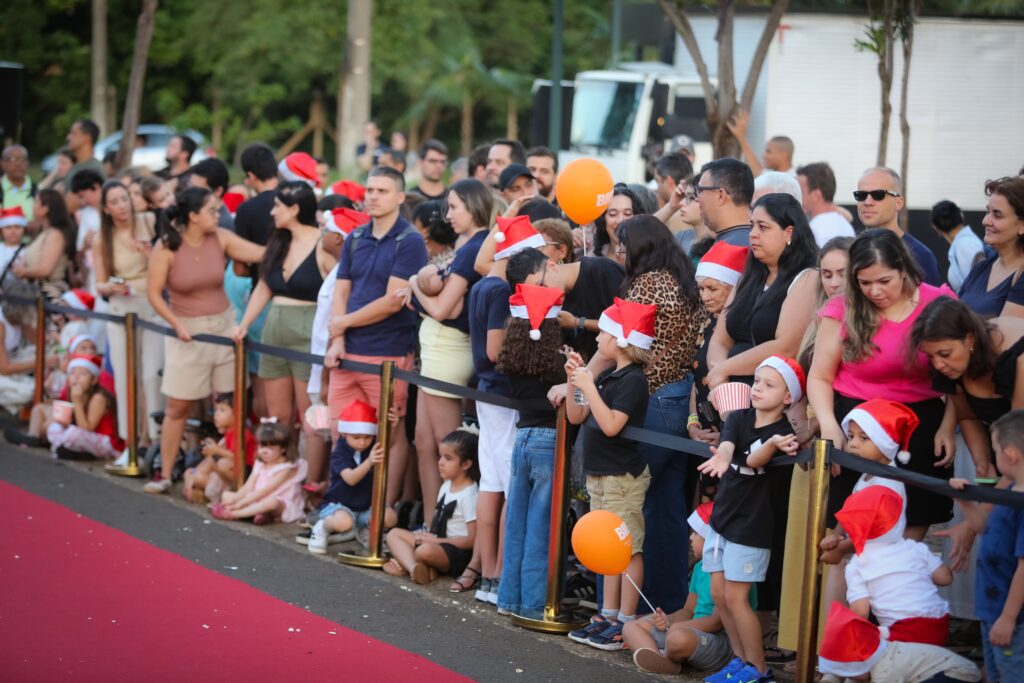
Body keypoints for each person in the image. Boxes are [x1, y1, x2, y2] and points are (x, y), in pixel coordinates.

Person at [808, 229, 957, 537]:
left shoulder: (938, 301)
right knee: (846, 534)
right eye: (864, 283)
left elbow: (958, 372)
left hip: (919, 427)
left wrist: (948, 425)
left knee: (911, 532)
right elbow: (820, 375)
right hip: (856, 428)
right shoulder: (843, 307)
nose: (874, 291)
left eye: (884, 281)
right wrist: (829, 425)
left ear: (903, 269)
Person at [612, 216, 708, 614]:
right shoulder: (683, 281)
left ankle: (632, 603)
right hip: (679, 399)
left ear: (640, 247)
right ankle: (666, 602)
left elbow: (621, 340)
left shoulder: (646, 283)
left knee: (635, 506)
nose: (618, 253)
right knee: (667, 508)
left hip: (649, 399)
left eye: (622, 246)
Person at [143, 187, 264, 494]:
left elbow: (259, 253)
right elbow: (154, 293)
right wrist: (176, 324)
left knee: (233, 402)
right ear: (193, 216)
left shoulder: (221, 237)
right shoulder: (166, 246)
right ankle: (166, 473)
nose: (219, 214)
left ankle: (237, 473)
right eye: (212, 210)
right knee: (178, 406)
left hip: (224, 327)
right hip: (188, 330)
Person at [324, 166, 427, 510]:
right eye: (369, 190)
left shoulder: (410, 241)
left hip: (387, 352)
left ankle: (381, 510)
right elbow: (342, 289)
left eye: (382, 191)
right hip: (348, 352)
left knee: (390, 435)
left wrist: (342, 324)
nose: (373, 197)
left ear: (399, 197)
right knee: (341, 432)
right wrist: (338, 338)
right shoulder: (355, 237)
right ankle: (341, 505)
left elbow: (392, 301)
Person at [696, 356, 804, 683]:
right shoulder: (740, 417)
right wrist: (722, 456)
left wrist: (771, 444)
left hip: (752, 525)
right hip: (723, 518)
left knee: (737, 598)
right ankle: (739, 661)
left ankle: (758, 670)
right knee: (718, 594)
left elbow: (756, 460)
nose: (757, 388)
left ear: (788, 397)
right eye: (757, 381)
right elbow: (728, 445)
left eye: (769, 385)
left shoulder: (783, 431)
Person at [565, 298, 654, 650]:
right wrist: (575, 380)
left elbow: (612, 425)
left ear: (621, 339)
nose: (598, 336)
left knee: (627, 547)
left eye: (604, 330)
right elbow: (576, 416)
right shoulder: (608, 376)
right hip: (601, 474)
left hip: (623, 476)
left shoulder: (633, 380)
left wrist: (589, 386)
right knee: (607, 546)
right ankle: (608, 613)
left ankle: (626, 622)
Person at [232, 181, 335, 475]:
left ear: (294, 209)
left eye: (278, 206)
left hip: (308, 335)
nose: (272, 211)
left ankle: (311, 481)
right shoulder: (278, 241)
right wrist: (243, 326)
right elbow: (263, 286)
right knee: (277, 417)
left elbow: (338, 291)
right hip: (273, 332)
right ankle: (279, 477)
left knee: (310, 416)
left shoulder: (323, 243)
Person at [405, 178, 491, 523]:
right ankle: (430, 521)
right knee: (423, 443)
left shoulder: (474, 248)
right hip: (436, 350)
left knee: (446, 448)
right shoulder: (467, 243)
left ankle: (451, 530)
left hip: (449, 352)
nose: (447, 214)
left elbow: (445, 309)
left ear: (473, 206)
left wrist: (413, 285)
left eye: (454, 206)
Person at [494, 274, 564, 619]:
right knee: (541, 526)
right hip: (550, 441)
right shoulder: (560, 363)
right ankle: (534, 604)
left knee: (516, 524)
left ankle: (508, 598)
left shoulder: (512, 360)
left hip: (521, 438)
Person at [623, 502, 754, 676]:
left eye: (697, 533)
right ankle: (660, 659)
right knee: (630, 626)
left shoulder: (732, 572)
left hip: (723, 641)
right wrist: (666, 620)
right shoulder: (700, 568)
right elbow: (688, 610)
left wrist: (677, 628)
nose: (691, 538)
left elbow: (717, 622)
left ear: (713, 539)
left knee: (677, 639)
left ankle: (668, 656)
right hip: (691, 632)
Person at [911, 296, 1024, 478]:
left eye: (945, 354)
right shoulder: (949, 365)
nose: (938, 364)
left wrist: (995, 498)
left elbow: (1020, 436)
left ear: (970, 340)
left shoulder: (1017, 359)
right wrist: (983, 463)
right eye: (930, 356)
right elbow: (967, 416)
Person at [949, 409, 1024, 681]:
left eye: (994, 449)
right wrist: (966, 501)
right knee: (995, 674)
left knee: (1013, 674)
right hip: (992, 608)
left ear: (1010, 453)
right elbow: (986, 528)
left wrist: (1008, 617)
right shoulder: (1008, 491)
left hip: (1013, 617)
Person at [92, 180, 164, 453]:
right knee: (125, 375)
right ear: (106, 208)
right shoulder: (102, 238)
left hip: (153, 303)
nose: (122, 206)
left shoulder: (148, 221)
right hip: (121, 306)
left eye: (125, 199)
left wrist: (150, 253)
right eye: (115, 202)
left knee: (151, 374)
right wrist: (110, 286)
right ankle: (131, 441)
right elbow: (99, 282)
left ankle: (155, 438)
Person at [834, 485, 952, 645]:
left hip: (901, 633)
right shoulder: (914, 547)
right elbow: (945, 578)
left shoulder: (858, 564)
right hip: (939, 626)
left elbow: (861, 612)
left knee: (867, 645)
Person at [384, 430, 479, 585]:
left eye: (448, 458)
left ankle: (404, 563)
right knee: (394, 534)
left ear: (466, 464)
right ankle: (415, 567)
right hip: (436, 542)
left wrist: (435, 541)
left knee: (424, 551)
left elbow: (471, 540)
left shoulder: (470, 494)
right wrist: (427, 536)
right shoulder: (446, 485)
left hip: (454, 552)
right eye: (440, 456)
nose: (440, 462)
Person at [308, 400, 398, 554]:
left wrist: (393, 426)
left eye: (367, 437)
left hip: (365, 507)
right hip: (338, 505)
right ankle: (322, 528)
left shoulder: (370, 446)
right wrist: (369, 462)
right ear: (345, 433)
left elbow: (387, 444)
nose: (363, 442)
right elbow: (350, 479)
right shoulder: (340, 451)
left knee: (390, 517)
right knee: (344, 522)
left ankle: (366, 533)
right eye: (356, 437)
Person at [817, 602, 981, 683]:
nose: (849, 677)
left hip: (957, 674)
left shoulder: (885, 672)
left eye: (849, 673)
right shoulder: (877, 652)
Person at [690, 242, 748, 446]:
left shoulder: (742, 329)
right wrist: (693, 422)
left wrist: (727, 432)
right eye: (701, 289)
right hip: (702, 433)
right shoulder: (708, 321)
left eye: (712, 288)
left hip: (731, 434)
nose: (705, 296)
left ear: (734, 288)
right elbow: (698, 377)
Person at [856, 167, 940, 286]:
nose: (867, 202)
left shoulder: (920, 256)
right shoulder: (850, 250)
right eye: (861, 195)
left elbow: (930, 303)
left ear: (898, 202)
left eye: (878, 195)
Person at [211, 420, 307, 524]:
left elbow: (266, 490)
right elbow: (248, 485)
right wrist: (236, 499)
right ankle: (258, 514)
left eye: (270, 448)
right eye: (262, 447)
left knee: (271, 502)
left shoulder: (287, 468)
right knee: (227, 495)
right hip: (256, 499)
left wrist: (239, 505)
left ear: (283, 448)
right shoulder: (260, 463)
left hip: (279, 503)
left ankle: (234, 514)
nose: (264, 451)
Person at [957, 176, 1024, 318]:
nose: (985, 221)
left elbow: (1005, 336)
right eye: (988, 211)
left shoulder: (1020, 276)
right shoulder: (980, 268)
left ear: (1022, 226)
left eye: (997, 215)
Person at [43, 353, 124, 460]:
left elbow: (87, 428)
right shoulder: (71, 392)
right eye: (72, 373)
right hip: (84, 438)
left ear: (93, 380)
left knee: (73, 433)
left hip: (106, 442)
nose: (76, 378)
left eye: (82, 374)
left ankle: (63, 448)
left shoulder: (99, 397)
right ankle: (69, 449)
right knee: (54, 428)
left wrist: (77, 402)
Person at [182, 393, 255, 504]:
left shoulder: (240, 433)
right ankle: (198, 485)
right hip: (229, 471)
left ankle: (232, 491)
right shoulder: (227, 435)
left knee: (222, 463)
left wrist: (216, 450)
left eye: (222, 410)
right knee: (191, 472)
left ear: (237, 414)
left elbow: (239, 456)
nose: (216, 414)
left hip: (247, 472)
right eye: (216, 410)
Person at [12, 189, 75, 300]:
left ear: (45, 208)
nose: (33, 205)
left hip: (49, 293)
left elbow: (46, 270)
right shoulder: (44, 232)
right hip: (38, 291)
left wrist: (22, 272)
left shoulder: (55, 234)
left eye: (36, 202)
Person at [697, 159, 755, 247]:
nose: (697, 198)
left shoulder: (726, 250)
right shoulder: (762, 245)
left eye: (700, 190)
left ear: (720, 196)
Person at [797, 162, 855, 248]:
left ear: (816, 196)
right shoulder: (842, 222)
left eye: (800, 191)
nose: (796, 196)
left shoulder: (817, 229)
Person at [929, 200, 983, 292]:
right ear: (961, 217)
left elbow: (978, 285)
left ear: (935, 227)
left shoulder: (965, 244)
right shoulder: (963, 242)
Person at [726, 109, 795, 176]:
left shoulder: (796, 179)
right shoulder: (772, 176)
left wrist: (741, 136)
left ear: (783, 155)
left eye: (769, 152)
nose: (764, 156)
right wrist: (740, 136)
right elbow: (758, 171)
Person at [593, 184, 644, 266]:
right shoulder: (592, 261)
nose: (621, 220)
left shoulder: (650, 259)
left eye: (627, 213)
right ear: (602, 220)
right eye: (613, 214)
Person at [651, 153, 695, 239]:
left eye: (657, 181)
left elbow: (642, 233)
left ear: (669, 180)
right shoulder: (697, 211)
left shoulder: (676, 216)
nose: (657, 188)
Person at [63, 119, 104, 211]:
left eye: (73, 133)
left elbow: (69, 205)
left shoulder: (93, 169)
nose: (68, 137)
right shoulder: (75, 167)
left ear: (87, 138)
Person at [189, 158, 235, 229]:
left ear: (218, 191)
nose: (190, 192)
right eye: (190, 186)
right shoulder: (194, 209)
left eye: (198, 190)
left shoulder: (220, 224)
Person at [1, 145, 35, 221]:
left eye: (22, 159)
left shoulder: (37, 191)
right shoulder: (1, 189)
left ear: (28, 163)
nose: (18, 164)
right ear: (2, 164)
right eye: (12, 159)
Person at [0, 207, 27, 279]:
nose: (13, 231)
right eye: (8, 227)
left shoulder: (29, 250)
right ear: (1, 230)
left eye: (17, 227)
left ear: (24, 229)